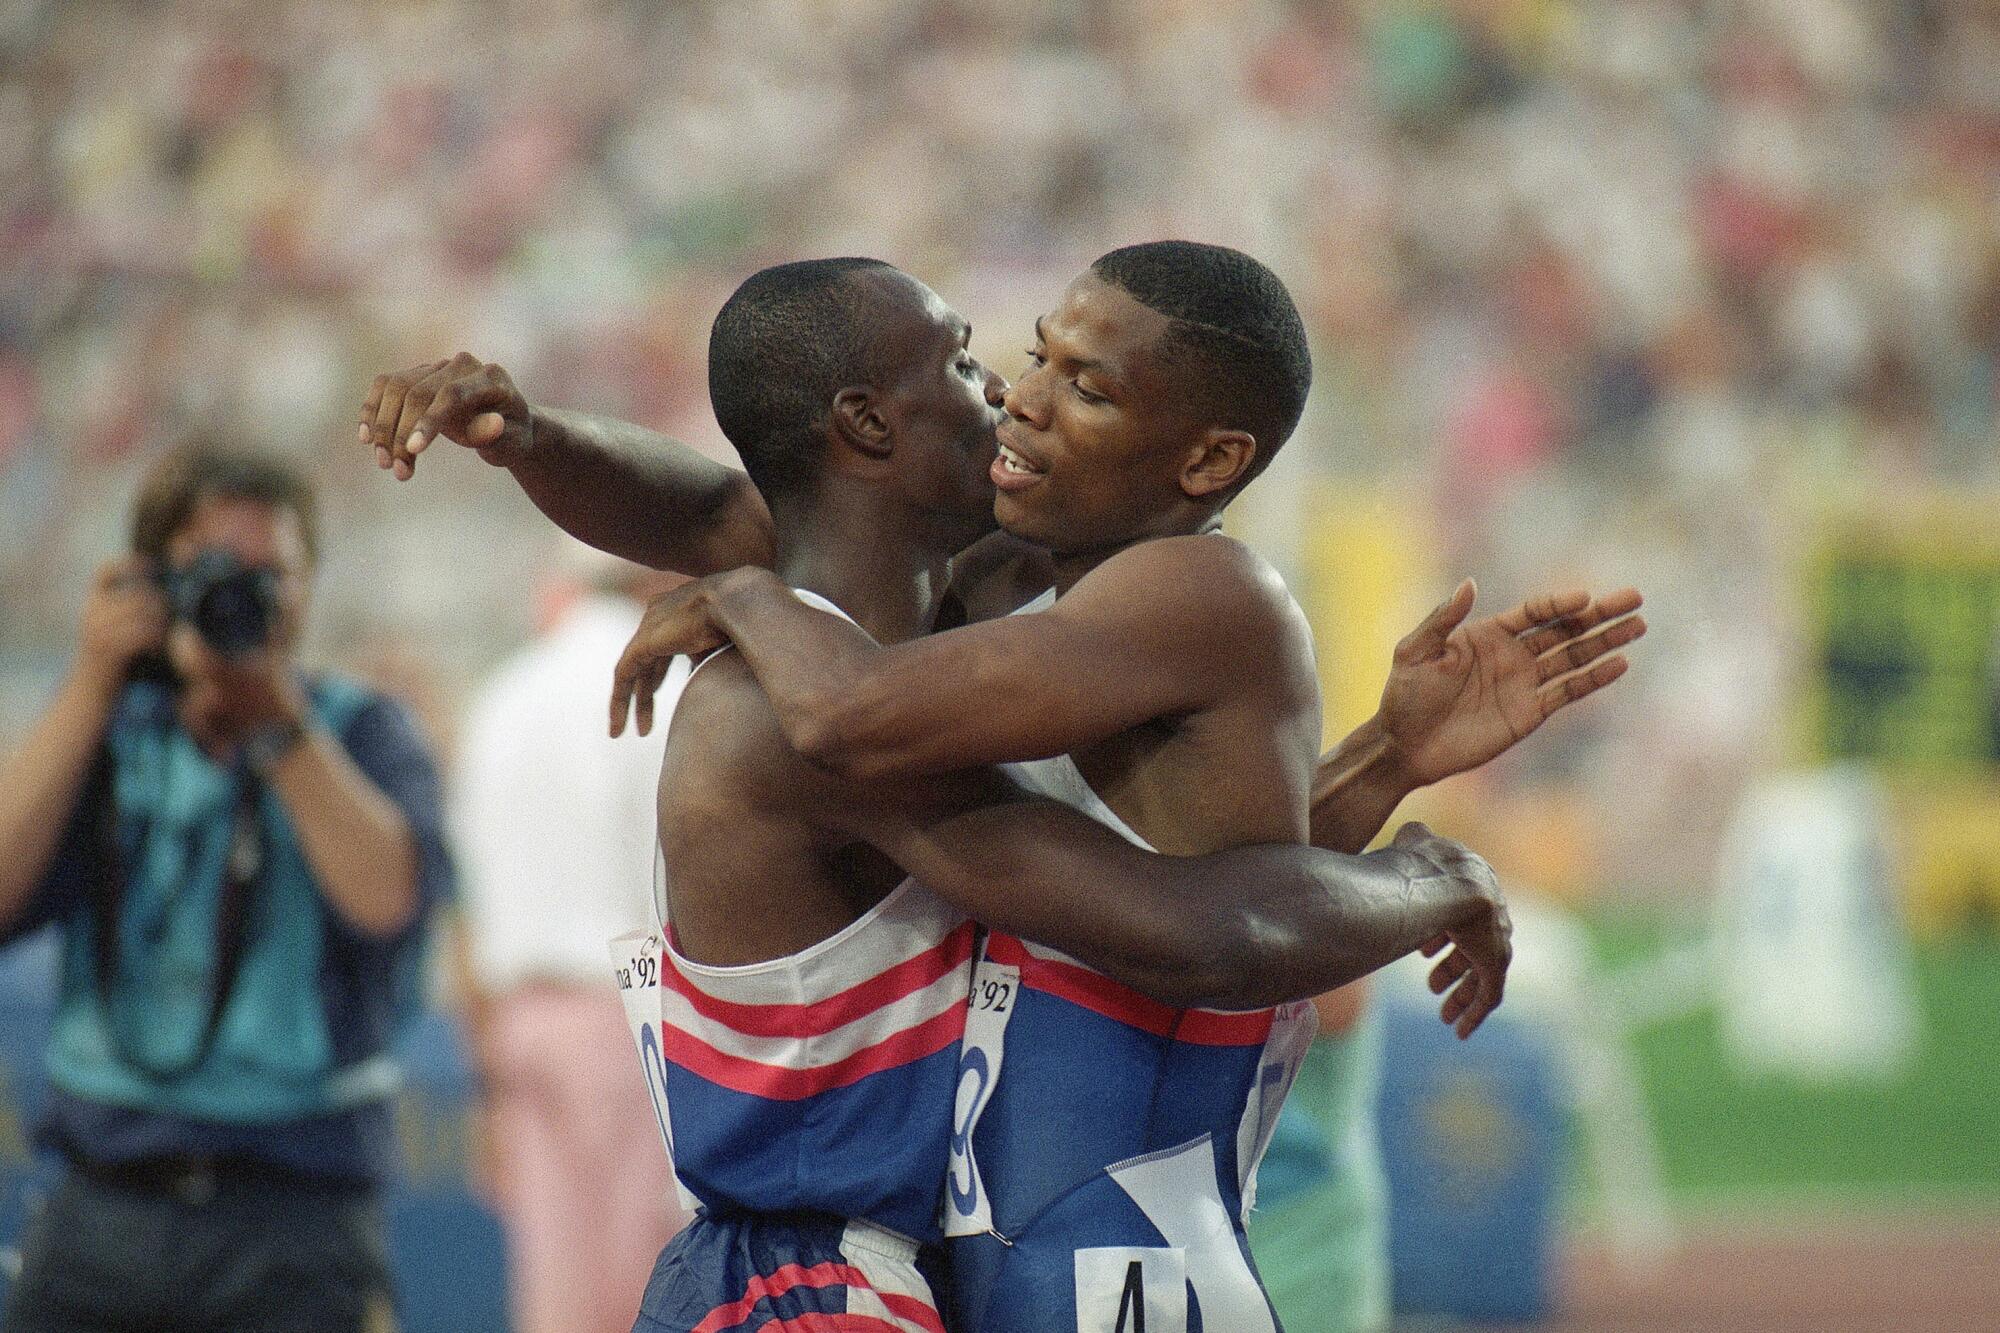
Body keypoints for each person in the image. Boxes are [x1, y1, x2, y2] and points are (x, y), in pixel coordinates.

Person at [361, 247, 1639, 1330]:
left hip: (1110, 1238)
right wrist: (530, 440)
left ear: (1203, 459)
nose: (1019, 401)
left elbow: (1201, 927)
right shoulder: (983, 589)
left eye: (1077, 385)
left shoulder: (1181, 592)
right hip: (967, 1243)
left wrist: (1428, 864)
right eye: (1017, 360)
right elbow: (725, 506)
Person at [0, 442, 453, 1332]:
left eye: (270, 574)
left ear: (310, 587)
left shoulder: (362, 733)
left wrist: (275, 723)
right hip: (100, 1206)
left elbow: (388, 901)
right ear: (149, 583)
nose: (240, 598)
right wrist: (92, 679)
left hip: (297, 1220)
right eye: (210, 573)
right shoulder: (101, 725)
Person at [451, 549, 693, 1333]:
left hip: (519, 1017)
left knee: (553, 1293)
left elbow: (468, 902)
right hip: (629, 1012)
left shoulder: (501, 693)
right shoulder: (665, 683)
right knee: (646, 1284)